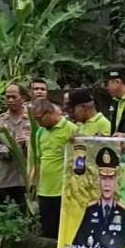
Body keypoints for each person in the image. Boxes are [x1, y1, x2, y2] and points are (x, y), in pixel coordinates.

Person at [72, 147, 125, 248]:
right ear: (99, 180)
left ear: (116, 181)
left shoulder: (122, 212)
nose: (107, 184)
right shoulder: (90, 209)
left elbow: (121, 247)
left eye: (111, 178)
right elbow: (77, 241)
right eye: (103, 178)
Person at [31, 98, 79, 239]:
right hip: (44, 190)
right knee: (47, 230)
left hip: (63, 190)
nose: (38, 122)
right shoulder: (40, 133)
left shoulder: (71, 129)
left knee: (63, 231)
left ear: (49, 113)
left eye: (39, 118)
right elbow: (38, 159)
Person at [0, 83, 31, 207]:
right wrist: (10, 150)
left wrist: (27, 142)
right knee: (7, 211)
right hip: (7, 177)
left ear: (22, 98)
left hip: (29, 177)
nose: (10, 100)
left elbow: (41, 141)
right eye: (7, 97)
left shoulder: (32, 119)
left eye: (14, 97)